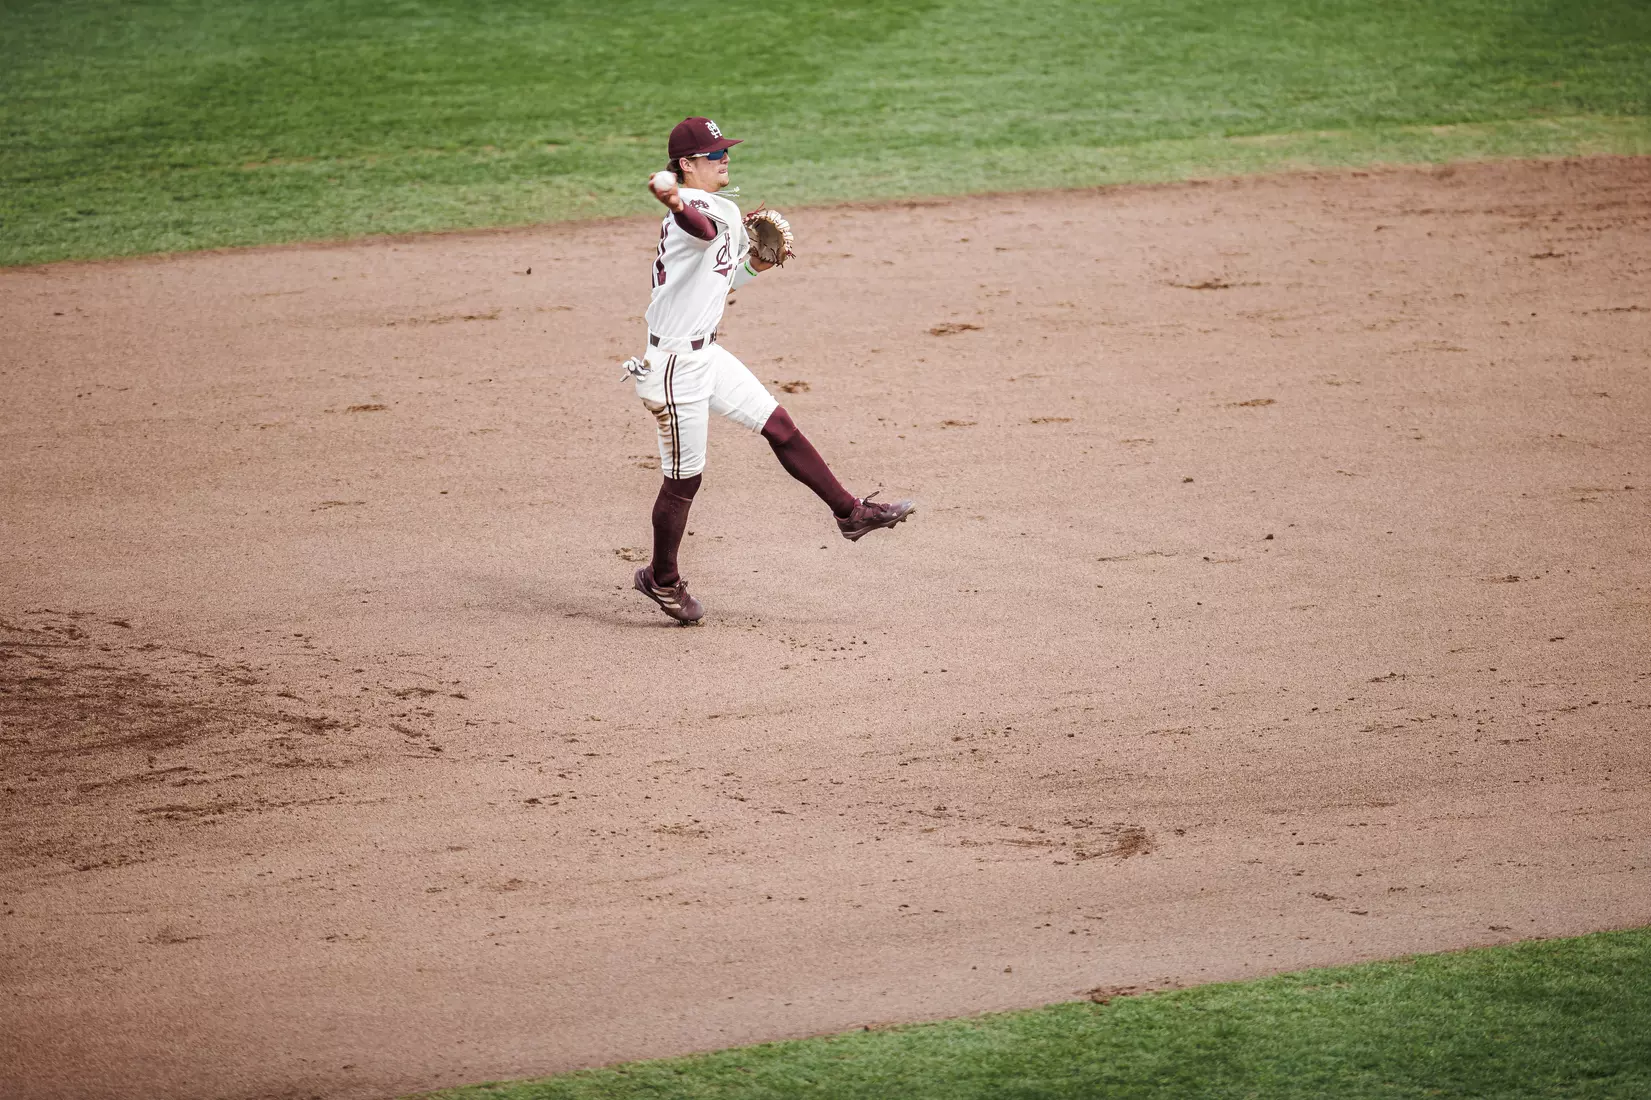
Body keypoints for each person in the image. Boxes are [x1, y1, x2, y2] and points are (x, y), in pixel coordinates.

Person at [627, 116, 914, 624]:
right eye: (713, 156)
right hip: (673, 366)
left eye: (725, 152)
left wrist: (754, 266)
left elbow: (718, 278)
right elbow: (698, 226)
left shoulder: (721, 207)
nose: (725, 159)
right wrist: (671, 199)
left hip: (704, 355)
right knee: (683, 481)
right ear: (687, 165)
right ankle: (662, 580)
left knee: (778, 425)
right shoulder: (689, 210)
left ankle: (851, 514)